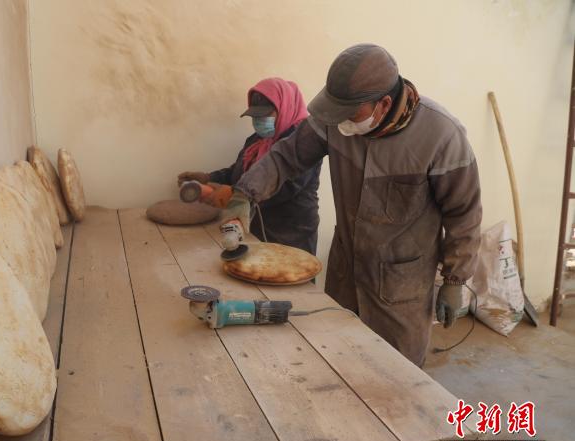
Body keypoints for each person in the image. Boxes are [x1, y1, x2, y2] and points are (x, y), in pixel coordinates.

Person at [210, 44, 482, 367]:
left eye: (350, 113)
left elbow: (464, 213)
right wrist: (244, 194)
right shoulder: (334, 119)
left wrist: (455, 279)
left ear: (383, 104)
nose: (339, 121)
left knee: (396, 375)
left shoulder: (442, 136)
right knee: (335, 361)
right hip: (346, 273)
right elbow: (286, 157)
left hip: (401, 289)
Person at [178, 77, 322, 255]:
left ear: (284, 107)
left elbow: (280, 188)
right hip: (255, 231)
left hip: (290, 237)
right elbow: (239, 173)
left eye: (264, 115)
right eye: (255, 116)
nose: (259, 121)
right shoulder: (256, 141)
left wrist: (231, 195)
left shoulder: (302, 145)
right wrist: (208, 178)